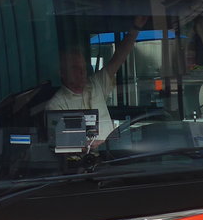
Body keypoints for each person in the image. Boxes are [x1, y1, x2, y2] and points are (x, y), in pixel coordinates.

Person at [48, 16, 145, 148]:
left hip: (115, 156)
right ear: (62, 72)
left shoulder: (95, 84)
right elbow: (63, 145)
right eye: (76, 68)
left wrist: (135, 29)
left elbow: (119, 58)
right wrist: (93, 146)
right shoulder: (56, 105)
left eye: (84, 68)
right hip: (85, 164)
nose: (82, 73)